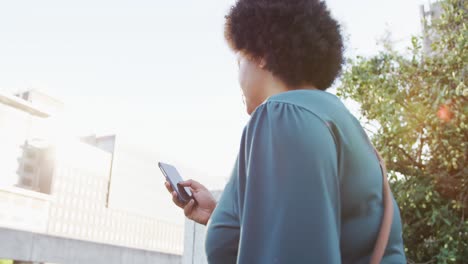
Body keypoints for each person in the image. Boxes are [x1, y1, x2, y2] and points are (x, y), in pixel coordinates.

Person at [165, 0, 406, 263]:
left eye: (239, 63)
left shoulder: (282, 117)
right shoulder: (333, 119)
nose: (239, 78)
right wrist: (219, 215)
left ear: (261, 54)